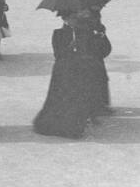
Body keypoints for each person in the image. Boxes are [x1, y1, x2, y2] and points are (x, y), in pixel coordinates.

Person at [33, 10, 98, 139]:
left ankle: (74, 127)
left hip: (78, 70)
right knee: (61, 98)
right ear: (65, 19)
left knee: (75, 98)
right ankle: (57, 126)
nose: (74, 21)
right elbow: (58, 55)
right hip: (63, 71)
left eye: (75, 18)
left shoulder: (84, 32)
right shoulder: (58, 34)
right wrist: (70, 47)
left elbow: (91, 50)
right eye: (71, 18)